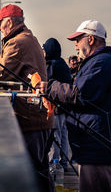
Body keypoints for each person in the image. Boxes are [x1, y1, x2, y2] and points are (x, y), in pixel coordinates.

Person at [41, 20, 111, 192]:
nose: (75, 46)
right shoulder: (98, 61)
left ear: (90, 39)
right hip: (94, 143)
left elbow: (80, 94)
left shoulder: (101, 62)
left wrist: (50, 87)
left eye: (78, 40)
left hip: (98, 144)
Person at [0, 4, 54, 191]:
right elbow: (11, 70)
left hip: (30, 120)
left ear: (11, 22)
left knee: (33, 175)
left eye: (0, 24)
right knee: (39, 172)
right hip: (39, 118)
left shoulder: (17, 43)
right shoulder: (29, 39)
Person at [42, 38, 72, 171]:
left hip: (55, 107)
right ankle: (64, 162)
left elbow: (47, 83)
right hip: (64, 106)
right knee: (64, 134)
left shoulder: (52, 65)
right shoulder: (62, 64)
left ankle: (54, 163)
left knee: (55, 136)